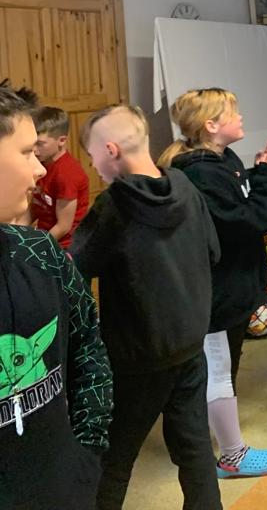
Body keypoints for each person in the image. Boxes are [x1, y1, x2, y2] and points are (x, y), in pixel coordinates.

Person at [72, 104, 222, 510]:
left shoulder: (115, 205)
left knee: (114, 458)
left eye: (92, 156)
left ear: (111, 150)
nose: (94, 166)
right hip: (189, 346)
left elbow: (76, 268)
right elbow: (213, 252)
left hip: (137, 358)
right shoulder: (186, 188)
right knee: (195, 451)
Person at [158, 88, 267, 479]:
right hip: (214, 294)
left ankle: (202, 442)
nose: (241, 117)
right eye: (233, 112)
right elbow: (248, 220)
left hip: (233, 289)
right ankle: (231, 456)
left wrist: (257, 173)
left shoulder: (223, 159)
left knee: (224, 369)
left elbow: (239, 200)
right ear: (211, 125)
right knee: (215, 372)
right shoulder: (199, 173)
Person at [0, 86, 113, 510]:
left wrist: (87, 453)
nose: (38, 170)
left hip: (62, 487)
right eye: (26, 152)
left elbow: (88, 347)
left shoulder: (40, 252)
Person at [30, 106, 91, 250]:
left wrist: (36, 247)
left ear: (62, 140)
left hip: (66, 246)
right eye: (32, 143)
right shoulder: (41, 165)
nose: (34, 149)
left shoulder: (66, 174)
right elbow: (36, 208)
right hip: (46, 236)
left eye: (40, 143)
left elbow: (63, 226)